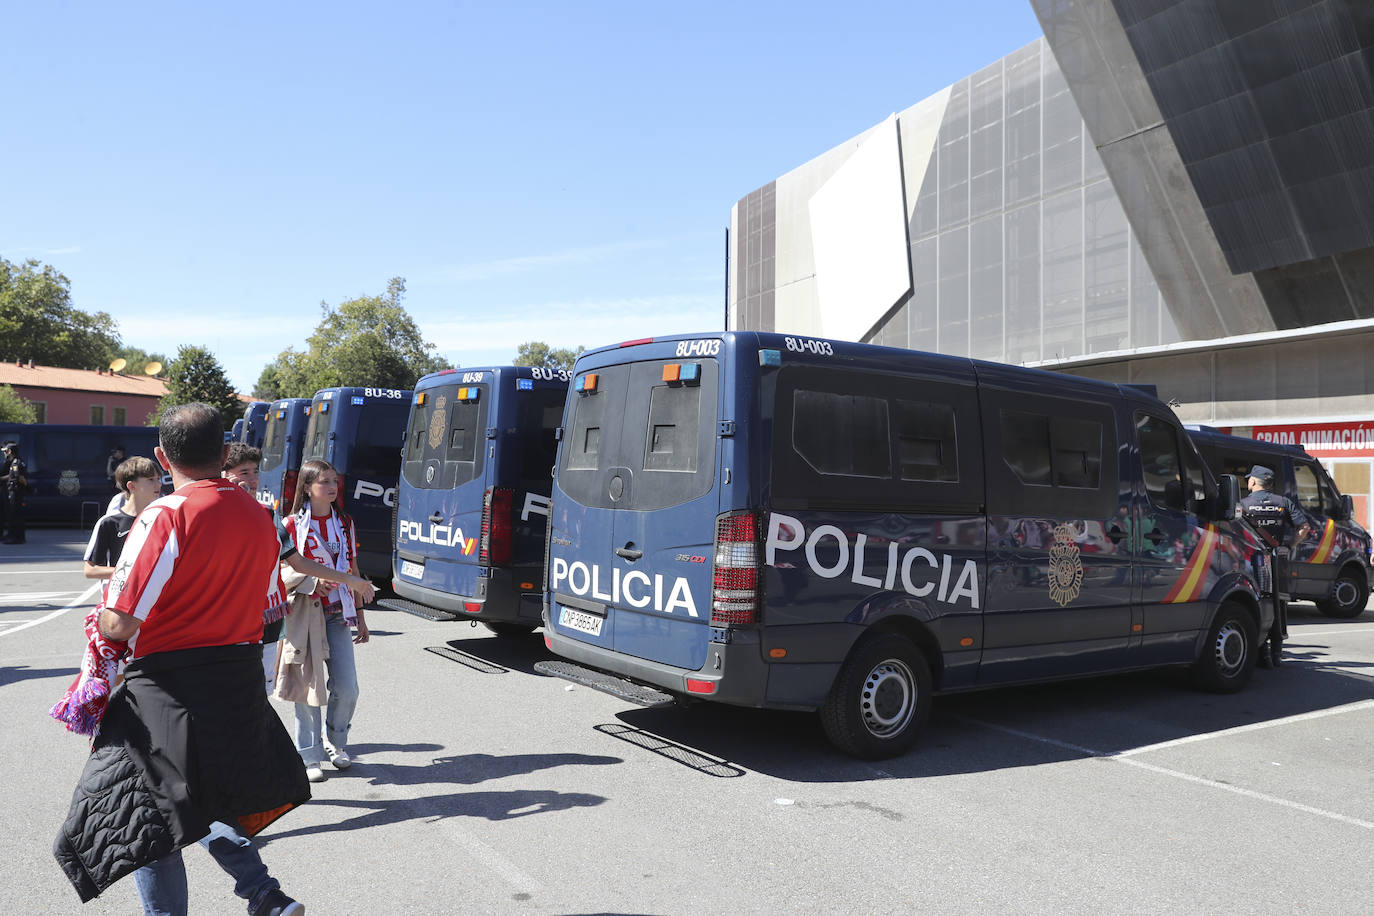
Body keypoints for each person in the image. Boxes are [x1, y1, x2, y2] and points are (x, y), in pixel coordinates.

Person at [53, 404, 309, 916]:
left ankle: (243, 898)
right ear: (224, 453)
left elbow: (122, 620)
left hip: (168, 683)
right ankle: (264, 894)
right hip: (235, 677)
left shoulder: (166, 514)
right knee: (202, 798)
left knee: (149, 815)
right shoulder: (260, 516)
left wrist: (100, 626)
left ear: (161, 457)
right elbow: (266, 601)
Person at [220, 443, 376, 691]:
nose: (252, 479)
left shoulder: (267, 516)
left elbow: (296, 563)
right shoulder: (216, 512)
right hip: (227, 617)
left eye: (255, 472)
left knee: (261, 690)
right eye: (244, 472)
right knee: (300, 691)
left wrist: (352, 587)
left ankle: (335, 732)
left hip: (266, 617)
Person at [274, 458, 369, 783]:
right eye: (324, 481)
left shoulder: (344, 522)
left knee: (347, 687)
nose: (332, 487)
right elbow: (280, 572)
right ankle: (308, 755)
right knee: (307, 687)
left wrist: (360, 614)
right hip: (303, 614)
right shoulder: (290, 524)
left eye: (334, 481)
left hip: (338, 613)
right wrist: (312, 583)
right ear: (307, 486)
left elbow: (352, 570)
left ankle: (335, 740)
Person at [1239, 464, 1312, 668]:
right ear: (1269, 484)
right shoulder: (1284, 502)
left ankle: (1260, 651)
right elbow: (1304, 527)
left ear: (1253, 481)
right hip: (1276, 559)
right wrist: (1288, 546)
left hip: (1252, 560)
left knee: (1256, 602)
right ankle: (1277, 652)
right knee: (1278, 603)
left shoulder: (1242, 504)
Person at [84, 456, 162, 584]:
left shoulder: (162, 518)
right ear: (131, 486)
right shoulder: (109, 522)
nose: (158, 484)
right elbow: (90, 570)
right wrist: (132, 571)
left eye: (158, 479)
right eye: (150, 479)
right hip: (120, 597)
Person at [1, 441, 28, 544]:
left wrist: (25, 487)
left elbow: (21, 478)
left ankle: (17, 538)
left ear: (10, 451)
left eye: (6, 451)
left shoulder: (16, 462)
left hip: (16, 492)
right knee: (12, 515)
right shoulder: (15, 462)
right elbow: (12, 475)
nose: (5, 453)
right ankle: (11, 535)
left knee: (16, 515)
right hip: (14, 492)